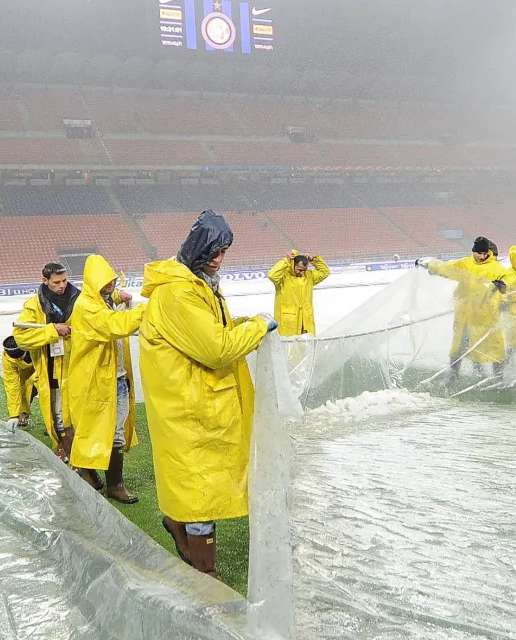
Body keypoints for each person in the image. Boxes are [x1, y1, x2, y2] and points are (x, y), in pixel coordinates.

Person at [140, 210, 274, 578]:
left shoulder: (196, 284)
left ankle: (181, 533)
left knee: (194, 489)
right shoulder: (179, 293)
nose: (218, 259)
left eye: (224, 251)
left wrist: (245, 324)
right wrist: (260, 326)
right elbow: (216, 348)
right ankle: (206, 573)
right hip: (190, 407)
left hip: (195, 400)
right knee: (201, 494)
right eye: (213, 250)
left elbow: (211, 332)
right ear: (196, 247)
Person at [66, 255, 145, 502]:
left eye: (112, 280)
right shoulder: (86, 307)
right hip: (97, 382)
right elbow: (114, 324)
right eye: (105, 281)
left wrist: (116, 297)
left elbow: (110, 306)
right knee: (96, 431)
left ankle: (108, 481)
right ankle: (105, 480)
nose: (110, 284)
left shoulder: (99, 301)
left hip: (116, 379)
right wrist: (148, 308)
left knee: (113, 434)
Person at [11, 263, 79, 457]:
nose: (62, 286)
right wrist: (52, 331)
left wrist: (116, 296)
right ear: (45, 280)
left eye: (65, 280)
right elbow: (21, 338)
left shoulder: (80, 298)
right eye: (56, 282)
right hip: (50, 370)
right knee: (58, 416)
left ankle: (76, 457)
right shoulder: (34, 305)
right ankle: (67, 452)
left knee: (76, 416)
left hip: (78, 367)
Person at [422, 236, 511, 381]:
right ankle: (454, 376)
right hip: (464, 316)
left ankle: (499, 379)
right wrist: (430, 266)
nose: (482, 256)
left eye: (484, 253)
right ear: (474, 251)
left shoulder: (496, 268)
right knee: (458, 347)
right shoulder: (465, 264)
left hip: (486, 317)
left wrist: (504, 290)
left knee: (496, 349)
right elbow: (446, 268)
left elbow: (510, 280)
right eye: (479, 253)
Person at [267, 249, 330, 336]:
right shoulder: (283, 278)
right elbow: (272, 275)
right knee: (289, 347)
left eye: (304, 270)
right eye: (299, 270)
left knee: (306, 346)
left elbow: (325, 272)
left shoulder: (309, 276)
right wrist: (286, 261)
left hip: (306, 320)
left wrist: (314, 260)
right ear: (293, 265)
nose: (302, 273)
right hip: (288, 322)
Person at [1, 334, 35, 430]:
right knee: (22, 387)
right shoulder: (7, 358)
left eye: (20, 357)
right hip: (25, 374)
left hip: (46, 368)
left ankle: (54, 421)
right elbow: (11, 385)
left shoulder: (35, 345)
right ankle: (23, 412)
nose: (19, 360)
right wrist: (14, 415)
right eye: (15, 359)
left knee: (49, 391)